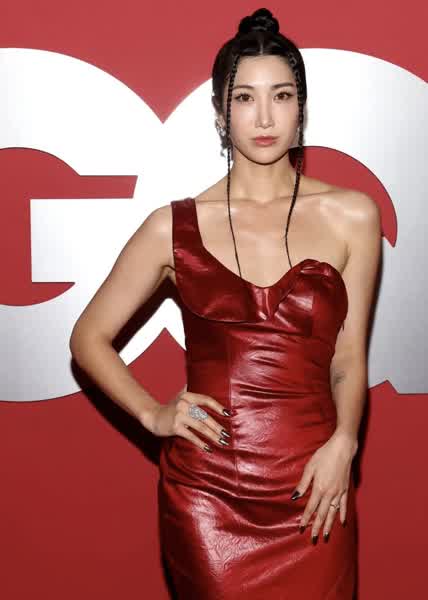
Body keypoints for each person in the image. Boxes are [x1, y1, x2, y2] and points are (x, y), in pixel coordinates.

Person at [70, 7, 381, 599]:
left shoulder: (354, 216)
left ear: (301, 109)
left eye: (281, 96)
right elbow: (88, 337)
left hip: (314, 486)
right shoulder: (172, 227)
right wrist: (153, 414)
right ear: (219, 113)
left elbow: (347, 359)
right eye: (244, 98)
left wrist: (345, 443)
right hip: (209, 497)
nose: (264, 117)